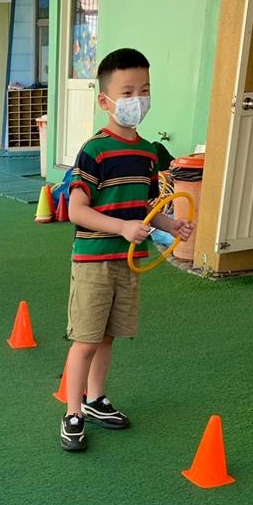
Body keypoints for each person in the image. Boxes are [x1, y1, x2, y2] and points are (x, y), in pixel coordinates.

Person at [60, 47, 195, 452]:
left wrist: (171, 225)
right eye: (128, 92)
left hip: (126, 262)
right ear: (105, 101)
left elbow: (145, 209)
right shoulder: (95, 150)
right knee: (86, 340)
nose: (138, 99)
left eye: (145, 90)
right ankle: (73, 412)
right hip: (94, 262)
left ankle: (96, 399)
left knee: (107, 337)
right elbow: (77, 210)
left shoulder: (148, 152)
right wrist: (122, 227)